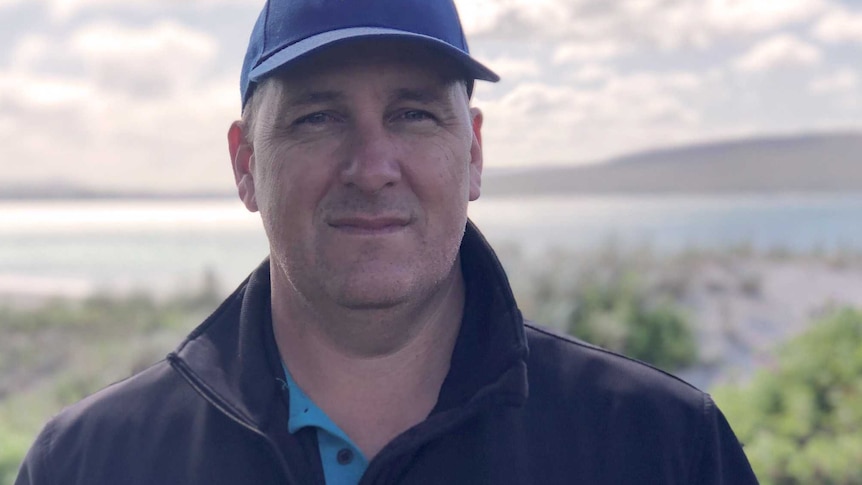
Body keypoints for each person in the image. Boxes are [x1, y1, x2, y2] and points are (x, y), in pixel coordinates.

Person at [16, 0, 758, 483]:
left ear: (472, 151)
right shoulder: (89, 463)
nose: (372, 168)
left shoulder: (660, 448)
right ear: (246, 165)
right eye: (317, 118)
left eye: (412, 114)